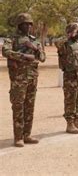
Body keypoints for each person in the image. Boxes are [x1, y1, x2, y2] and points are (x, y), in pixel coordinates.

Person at [2, 13, 46, 147]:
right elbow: (5, 51)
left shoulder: (34, 40)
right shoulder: (13, 39)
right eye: (26, 24)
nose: (28, 26)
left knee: (29, 106)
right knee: (18, 107)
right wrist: (23, 56)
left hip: (32, 77)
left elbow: (42, 57)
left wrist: (34, 48)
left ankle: (27, 135)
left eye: (30, 24)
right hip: (18, 78)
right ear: (20, 25)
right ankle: (18, 137)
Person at [56, 23, 78, 134]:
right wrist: (70, 34)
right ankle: (69, 124)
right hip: (71, 77)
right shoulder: (65, 44)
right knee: (70, 101)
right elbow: (57, 42)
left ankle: (77, 120)